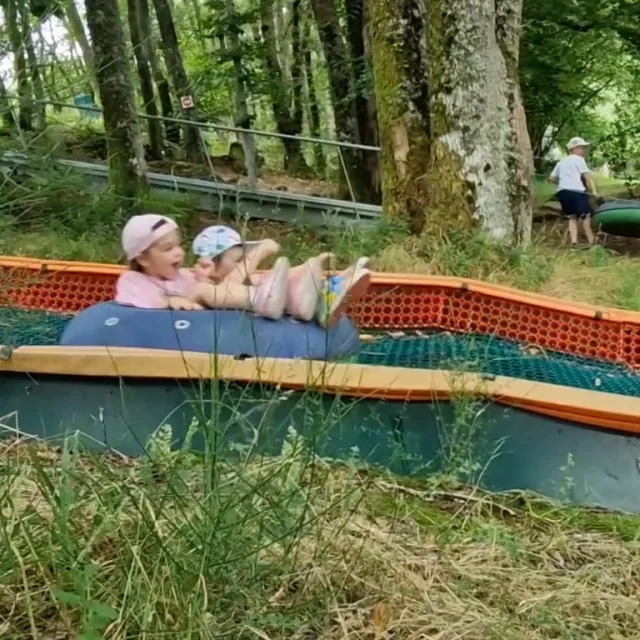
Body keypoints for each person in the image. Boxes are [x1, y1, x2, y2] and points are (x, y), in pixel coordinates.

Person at [115, 213, 294, 320]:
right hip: (171, 321)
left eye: (178, 245)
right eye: (168, 248)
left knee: (248, 279)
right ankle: (264, 300)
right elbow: (138, 305)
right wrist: (168, 302)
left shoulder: (181, 274)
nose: (178, 253)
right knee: (203, 289)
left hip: (195, 313)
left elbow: (212, 289)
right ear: (143, 259)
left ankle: (297, 288)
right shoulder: (133, 280)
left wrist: (202, 277)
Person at [192, 225, 371, 328]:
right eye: (239, 260)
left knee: (273, 280)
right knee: (262, 284)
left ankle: (334, 287)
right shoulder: (205, 282)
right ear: (210, 266)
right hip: (222, 321)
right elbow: (227, 287)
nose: (245, 263)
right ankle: (319, 301)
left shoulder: (245, 278)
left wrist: (311, 266)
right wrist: (259, 252)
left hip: (274, 301)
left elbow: (277, 277)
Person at [548, 136, 599, 248]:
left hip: (563, 192)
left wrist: (563, 183)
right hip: (577, 191)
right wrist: (594, 191)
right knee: (586, 215)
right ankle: (592, 241)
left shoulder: (561, 162)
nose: (584, 150)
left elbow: (551, 179)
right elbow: (587, 176)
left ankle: (574, 242)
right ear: (574, 149)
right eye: (582, 147)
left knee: (572, 216)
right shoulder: (579, 159)